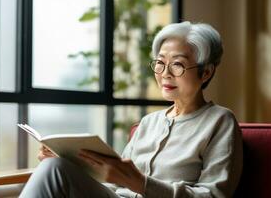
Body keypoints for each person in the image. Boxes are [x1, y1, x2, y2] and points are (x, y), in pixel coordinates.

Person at [19, 21, 243, 198]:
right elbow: (114, 184)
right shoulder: (149, 123)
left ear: (206, 73)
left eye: (177, 64)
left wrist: (141, 184)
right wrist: (77, 164)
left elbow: (213, 195)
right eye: (160, 62)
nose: (165, 73)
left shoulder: (220, 121)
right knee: (55, 167)